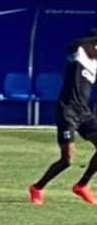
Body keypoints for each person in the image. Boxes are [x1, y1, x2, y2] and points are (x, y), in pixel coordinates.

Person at [30, 34, 97, 204]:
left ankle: (81, 186)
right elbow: (72, 44)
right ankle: (37, 187)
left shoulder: (94, 64)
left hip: (84, 112)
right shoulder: (79, 53)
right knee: (67, 160)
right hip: (67, 111)